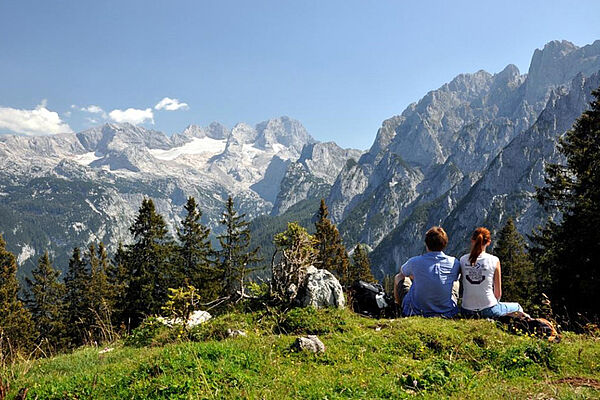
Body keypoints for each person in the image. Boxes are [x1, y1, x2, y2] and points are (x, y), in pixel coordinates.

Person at [394, 226, 460, 317]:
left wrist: (416, 276)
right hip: (447, 312)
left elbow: (402, 272)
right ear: (445, 244)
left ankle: (398, 308)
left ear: (426, 244)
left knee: (399, 277)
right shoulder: (454, 262)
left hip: (416, 312)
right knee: (456, 282)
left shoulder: (414, 262)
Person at [460, 227, 524, 318]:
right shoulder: (494, 260)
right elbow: (498, 293)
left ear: (472, 240)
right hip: (488, 309)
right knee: (517, 306)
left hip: (466, 311)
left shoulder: (463, 260)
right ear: (489, 242)